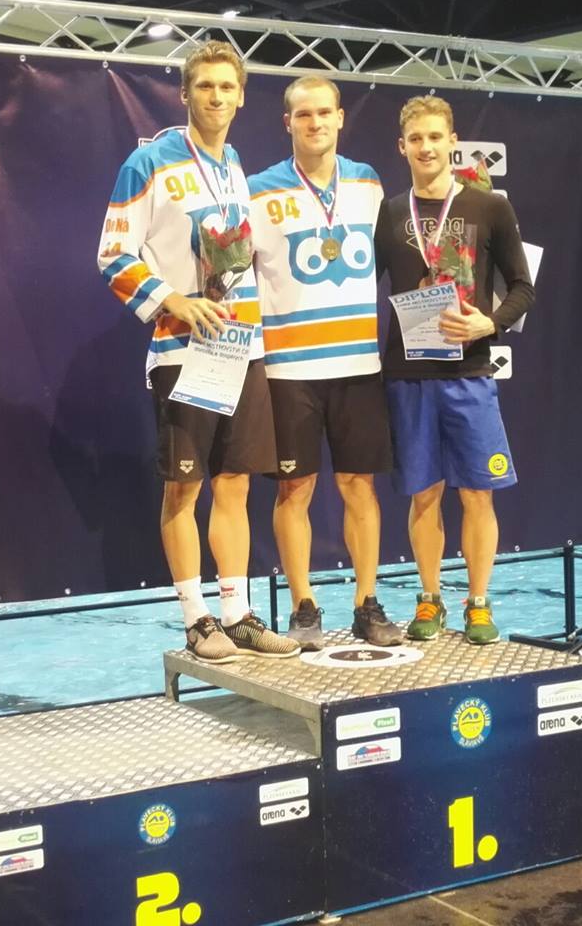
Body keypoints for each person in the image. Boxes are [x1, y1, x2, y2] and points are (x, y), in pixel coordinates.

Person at [97, 41, 299, 664]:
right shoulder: (149, 162)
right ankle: (195, 619)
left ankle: (236, 615)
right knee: (184, 489)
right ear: (185, 93)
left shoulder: (234, 164)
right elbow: (112, 255)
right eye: (205, 86)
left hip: (240, 347)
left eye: (226, 87)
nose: (216, 97)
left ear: (241, 97)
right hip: (181, 350)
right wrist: (172, 301)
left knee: (235, 484)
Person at [248, 76, 401, 649]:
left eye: (324, 113)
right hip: (289, 368)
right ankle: (303, 607)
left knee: (361, 486)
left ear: (341, 118)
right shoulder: (258, 190)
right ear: (287, 122)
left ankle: (367, 603)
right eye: (303, 114)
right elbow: (236, 270)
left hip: (358, 364)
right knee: (295, 490)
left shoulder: (367, 181)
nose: (315, 123)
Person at [375, 95, 534, 645]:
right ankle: (430, 598)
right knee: (423, 494)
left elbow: (523, 287)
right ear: (402, 146)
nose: (426, 147)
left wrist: (489, 323)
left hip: (469, 374)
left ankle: (479, 603)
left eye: (435, 137)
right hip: (408, 376)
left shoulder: (489, 207)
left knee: (477, 494)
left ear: (452, 142)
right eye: (416, 139)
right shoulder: (389, 213)